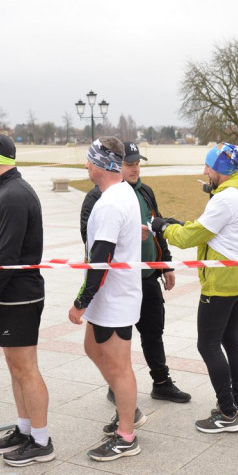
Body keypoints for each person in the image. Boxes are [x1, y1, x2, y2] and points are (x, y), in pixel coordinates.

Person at [152, 142, 238, 434]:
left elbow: (190, 237)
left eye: (208, 167)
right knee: (231, 341)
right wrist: (182, 223)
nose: (204, 171)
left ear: (220, 171)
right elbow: (212, 229)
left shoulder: (224, 201)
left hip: (221, 282)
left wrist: (162, 227)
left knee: (207, 344)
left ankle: (227, 412)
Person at [79, 141, 190, 405]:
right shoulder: (99, 197)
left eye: (138, 163)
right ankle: (115, 384)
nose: (135, 169)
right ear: (117, 165)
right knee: (111, 346)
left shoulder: (145, 192)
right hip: (116, 284)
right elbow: (91, 239)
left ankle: (161, 382)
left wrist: (166, 265)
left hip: (147, 276)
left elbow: (156, 226)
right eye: (130, 164)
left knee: (153, 332)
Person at [0, 134, 54, 467]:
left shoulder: (12, 196)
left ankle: (41, 439)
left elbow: (6, 256)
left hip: (19, 295)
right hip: (12, 294)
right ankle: (25, 429)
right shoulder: (8, 191)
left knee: (26, 369)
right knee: (15, 367)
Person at [70, 137, 144, 461]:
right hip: (109, 295)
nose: (86, 165)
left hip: (114, 298)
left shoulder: (113, 202)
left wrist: (81, 301)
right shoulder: (117, 194)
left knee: (119, 366)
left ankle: (127, 435)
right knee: (92, 348)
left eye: (89, 159)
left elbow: (101, 257)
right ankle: (128, 409)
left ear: (101, 164)